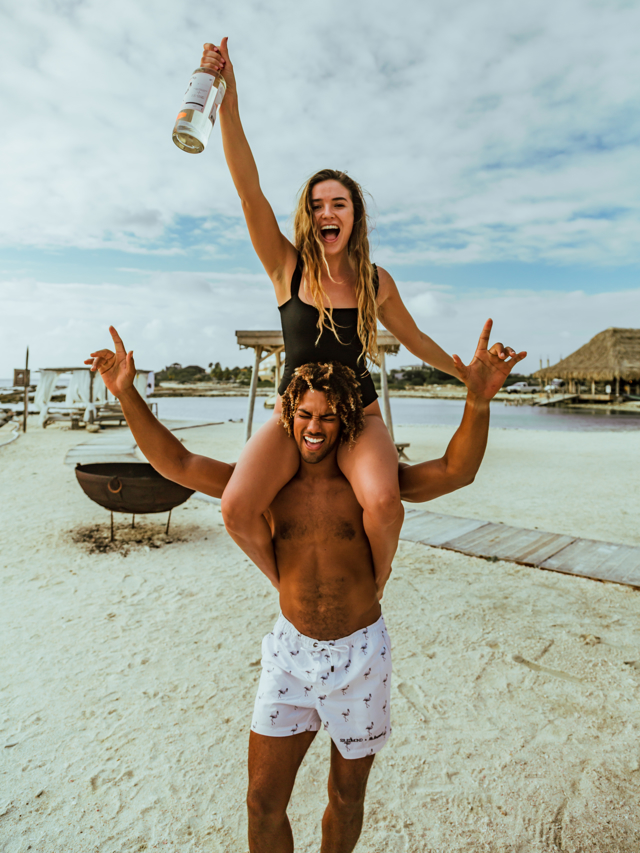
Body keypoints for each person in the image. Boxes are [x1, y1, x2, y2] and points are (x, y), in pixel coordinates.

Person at [87, 322, 525, 853]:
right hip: (291, 654)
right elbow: (174, 463)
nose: (315, 428)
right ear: (288, 417)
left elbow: (457, 470)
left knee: (345, 797)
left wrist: (477, 401)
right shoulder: (268, 486)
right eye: (305, 416)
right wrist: (126, 391)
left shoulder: (367, 485)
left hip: (361, 654)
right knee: (262, 802)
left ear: (346, 423)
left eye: (327, 417)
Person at [195, 39, 514, 600]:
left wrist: (465, 374)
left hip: (359, 413)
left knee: (386, 505)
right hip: (294, 413)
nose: (326, 212)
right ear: (307, 216)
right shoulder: (285, 267)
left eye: (338, 203)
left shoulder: (374, 280)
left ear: (354, 216)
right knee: (237, 508)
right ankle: (284, 582)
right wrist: (231, 98)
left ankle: (377, 581)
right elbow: (248, 191)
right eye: (317, 204)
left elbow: (414, 339)